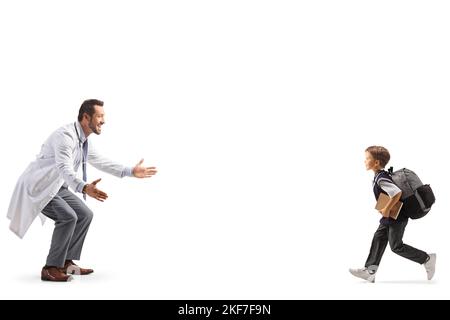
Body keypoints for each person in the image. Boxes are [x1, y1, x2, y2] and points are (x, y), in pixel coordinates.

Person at [6, 99, 157, 281]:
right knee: (68, 217)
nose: (103, 121)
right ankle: (50, 267)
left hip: (57, 186)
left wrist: (130, 171)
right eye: (100, 116)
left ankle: (66, 262)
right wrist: (84, 187)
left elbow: (101, 161)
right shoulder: (65, 136)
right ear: (86, 117)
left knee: (85, 214)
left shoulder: (84, 141)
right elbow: (65, 168)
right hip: (39, 187)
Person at [349, 146, 435, 283]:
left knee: (396, 246)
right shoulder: (380, 176)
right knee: (378, 239)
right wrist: (385, 211)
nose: (364, 161)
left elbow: (396, 193)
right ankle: (370, 272)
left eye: (367, 159)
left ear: (376, 162)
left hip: (397, 218)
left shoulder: (381, 178)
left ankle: (427, 258)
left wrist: (386, 209)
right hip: (389, 218)